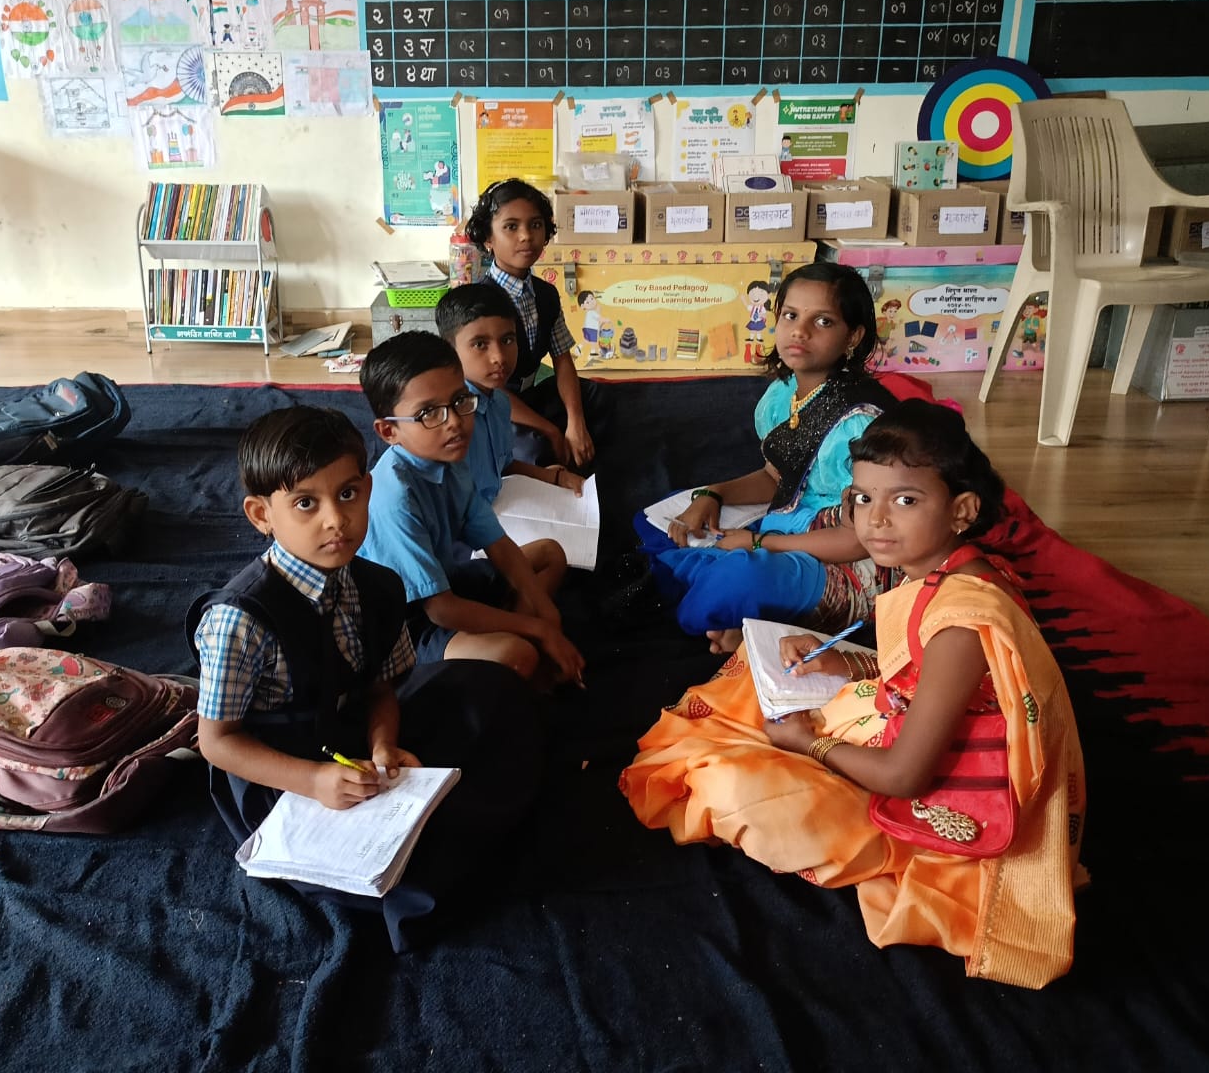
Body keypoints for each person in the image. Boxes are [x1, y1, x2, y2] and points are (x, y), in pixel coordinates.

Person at [620, 400, 1087, 988]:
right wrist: (840, 660)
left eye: (905, 500)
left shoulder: (960, 623)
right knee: (758, 681)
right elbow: (919, 675)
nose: (876, 520)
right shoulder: (951, 572)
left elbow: (904, 777)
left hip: (951, 810)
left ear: (962, 510)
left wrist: (808, 745)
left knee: (726, 783)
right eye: (864, 498)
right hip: (915, 728)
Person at [188, 406, 544, 952]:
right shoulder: (238, 619)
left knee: (491, 689)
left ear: (367, 489)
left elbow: (384, 687)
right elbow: (217, 742)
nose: (336, 519)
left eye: (348, 494)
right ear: (261, 515)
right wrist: (315, 781)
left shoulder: (377, 585)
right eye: (306, 503)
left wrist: (384, 745)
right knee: (417, 860)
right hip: (284, 769)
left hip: (353, 732)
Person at [641, 261, 899, 650]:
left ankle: (728, 602)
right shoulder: (783, 393)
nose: (800, 331)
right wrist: (713, 494)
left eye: (823, 321)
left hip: (847, 558)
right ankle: (736, 611)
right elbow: (776, 477)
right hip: (785, 528)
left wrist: (759, 544)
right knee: (661, 521)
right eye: (791, 315)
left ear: (853, 336)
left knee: (738, 578)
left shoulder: (862, 425)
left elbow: (862, 540)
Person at [357, 330, 586, 688]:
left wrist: (547, 614)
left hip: (446, 582)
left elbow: (500, 546)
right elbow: (440, 610)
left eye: (460, 400)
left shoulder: (451, 459)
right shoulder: (394, 498)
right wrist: (538, 627)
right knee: (518, 656)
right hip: (406, 623)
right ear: (388, 431)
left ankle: (510, 643)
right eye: (428, 413)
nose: (454, 422)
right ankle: (513, 652)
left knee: (550, 554)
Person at [465, 177, 604, 468]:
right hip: (490, 403)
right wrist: (550, 429)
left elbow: (562, 359)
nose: (526, 236)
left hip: (528, 396)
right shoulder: (478, 303)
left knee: (593, 396)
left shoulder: (546, 294)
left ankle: (571, 444)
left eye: (536, 225)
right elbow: (490, 387)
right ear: (488, 239)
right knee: (536, 448)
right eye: (511, 227)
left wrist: (575, 422)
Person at [436, 281, 584, 507]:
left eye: (507, 340)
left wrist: (553, 477)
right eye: (480, 344)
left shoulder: (499, 402)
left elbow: (503, 465)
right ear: (449, 349)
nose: (499, 357)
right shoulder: (449, 419)